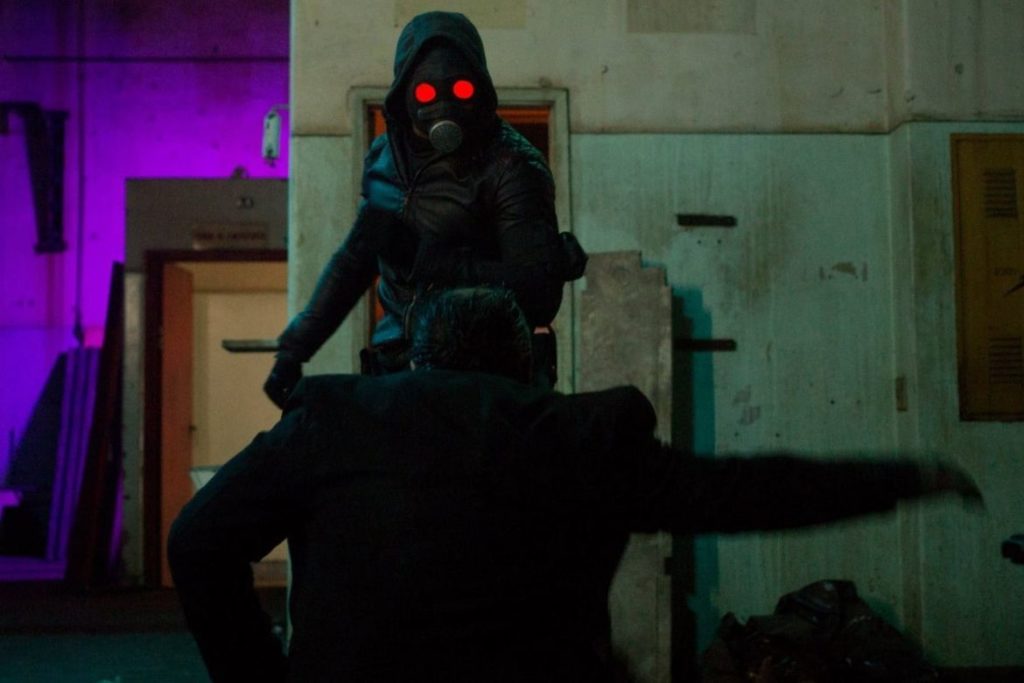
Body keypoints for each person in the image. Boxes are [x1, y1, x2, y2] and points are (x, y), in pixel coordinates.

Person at [171, 288, 982, 682]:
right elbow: (744, 492)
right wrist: (905, 475)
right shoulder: (579, 436)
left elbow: (197, 542)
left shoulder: (333, 419)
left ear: (415, 358)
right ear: (528, 364)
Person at [263, 11, 585, 407]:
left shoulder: (511, 166)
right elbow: (356, 259)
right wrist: (295, 349)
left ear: (480, 88)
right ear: (405, 92)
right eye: (428, 92)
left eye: (462, 89)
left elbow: (537, 294)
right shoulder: (385, 157)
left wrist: (433, 262)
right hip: (399, 366)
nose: (445, 104)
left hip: (484, 378)